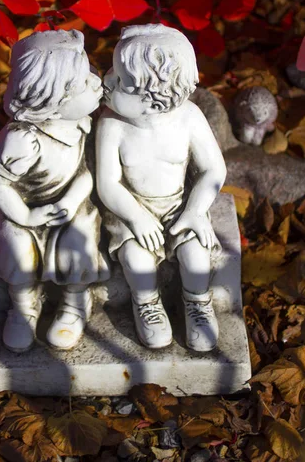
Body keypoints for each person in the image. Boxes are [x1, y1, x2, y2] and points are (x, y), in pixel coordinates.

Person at [96, 24, 227, 352]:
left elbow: (213, 168)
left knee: (196, 258)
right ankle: (147, 304)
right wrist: (136, 218)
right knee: (136, 261)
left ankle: (197, 303)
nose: (106, 80)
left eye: (120, 81)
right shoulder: (112, 125)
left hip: (179, 205)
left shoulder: (189, 118)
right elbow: (108, 183)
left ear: (152, 100)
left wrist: (196, 211)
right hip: (132, 210)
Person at [0, 29, 109, 353]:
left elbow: (86, 175)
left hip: (68, 204)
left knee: (78, 236)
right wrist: (26, 215)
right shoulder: (22, 139)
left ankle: (74, 301)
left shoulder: (82, 123)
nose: (97, 82)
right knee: (17, 245)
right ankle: (24, 305)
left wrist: (71, 199)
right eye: (84, 83)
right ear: (49, 103)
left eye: (91, 73)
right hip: (23, 208)